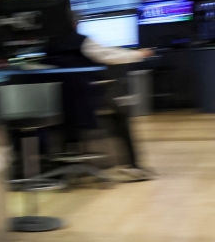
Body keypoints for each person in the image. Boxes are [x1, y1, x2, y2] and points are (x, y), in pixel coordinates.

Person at [49, 14, 156, 181]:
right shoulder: (80, 41)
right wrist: (138, 54)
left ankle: (67, 158)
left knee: (72, 122)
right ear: (72, 23)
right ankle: (132, 166)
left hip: (58, 105)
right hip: (83, 102)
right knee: (120, 115)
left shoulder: (50, 44)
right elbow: (107, 55)